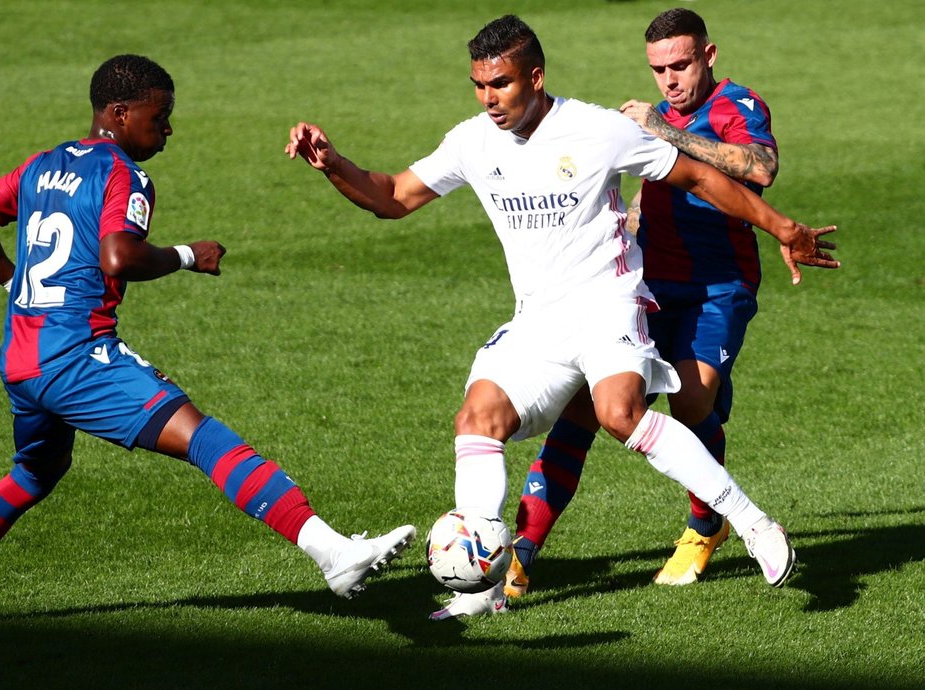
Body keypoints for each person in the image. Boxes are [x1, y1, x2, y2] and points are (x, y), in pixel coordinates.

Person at [286, 15, 837, 620]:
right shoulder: (473, 140)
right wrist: (333, 163)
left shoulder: (597, 129)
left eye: (501, 84)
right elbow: (393, 196)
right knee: (477, 418)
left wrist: (784, 227)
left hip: (609, 306)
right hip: (539, 323)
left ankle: (752, 524)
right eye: (479, 85)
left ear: (536, 77)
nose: (489, 99)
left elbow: (700, 176)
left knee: (618, 413)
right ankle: (484, 582)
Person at [0, 54, 415, 632]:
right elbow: (119, 256)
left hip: (20, 361)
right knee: (203, 437)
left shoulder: (43, 165)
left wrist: (14, 282)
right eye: (159, 116)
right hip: (75, 359)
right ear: (119, 112)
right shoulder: (123, 174)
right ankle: (332, 553)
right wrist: (188, 255)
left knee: (33, 474)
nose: (167, 129)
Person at [505, 7, 803, 598]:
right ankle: (521, 552)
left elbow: (761, 168)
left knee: (690, 401)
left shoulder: (735, 106)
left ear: (708, 57)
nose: (669, 80)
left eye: (681, 64)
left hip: (718, 286)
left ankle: (704, 524)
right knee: (582, 409)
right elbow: (648, 198)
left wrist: (662, 131)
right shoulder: (651, 117)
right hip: (644, 288)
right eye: (658, 68)